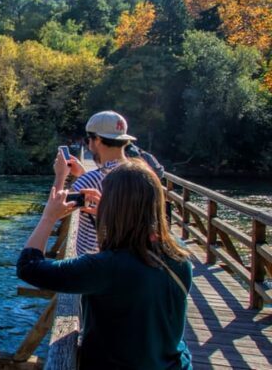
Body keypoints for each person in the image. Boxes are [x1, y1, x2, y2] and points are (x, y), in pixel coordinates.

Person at [17, 160, 193, 369]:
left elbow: (29, 266)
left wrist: (48, 217)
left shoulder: (107, 268)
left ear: (114, 207)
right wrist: (110, 217)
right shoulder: (178, 253)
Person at [54, 110, 135, 256]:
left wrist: (60, 176)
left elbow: (55, 211)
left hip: (94, 263)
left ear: (96, 139)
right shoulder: (140, 174)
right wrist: (83, 174)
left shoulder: (93, 179)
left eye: (88, 139)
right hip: (128, 259)